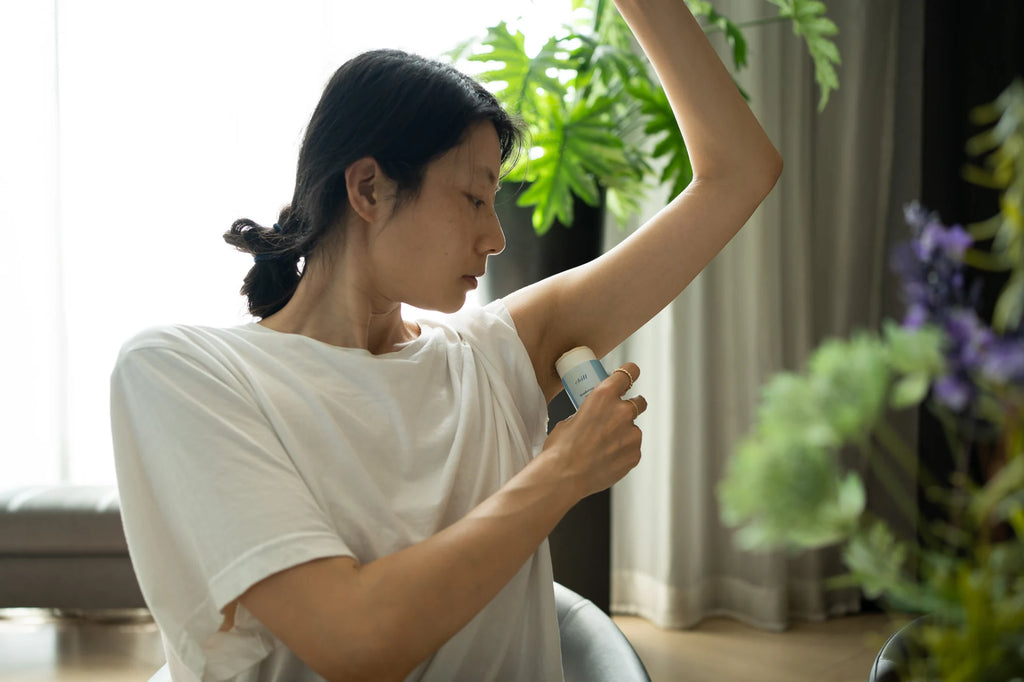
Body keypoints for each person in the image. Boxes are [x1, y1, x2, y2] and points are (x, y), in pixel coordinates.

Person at [110, 0, 781, 679]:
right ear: (369, 188)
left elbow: (739, 174)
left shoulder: (493, 355)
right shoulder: (184, 372)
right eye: (473, 197)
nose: (496, 236)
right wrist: (561, 471)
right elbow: (354, 642)